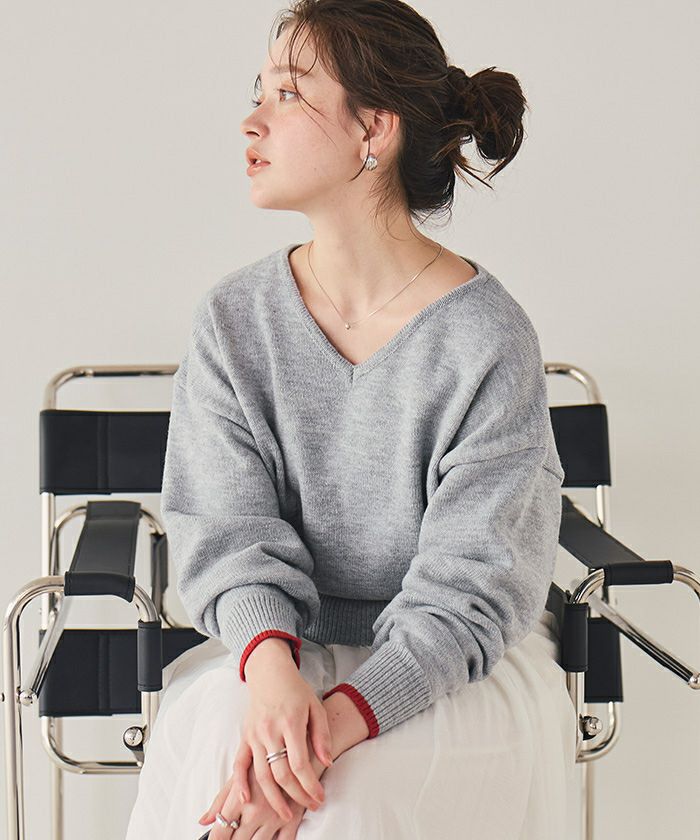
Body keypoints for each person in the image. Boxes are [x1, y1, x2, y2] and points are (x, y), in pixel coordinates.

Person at [125, 1, 578, 838]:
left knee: (343, 806)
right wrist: (274, 685)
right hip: (276, 653)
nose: (251, 120)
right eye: (259, 90)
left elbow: (471, 587)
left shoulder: (485, 338)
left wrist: (327, 731)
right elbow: (224, 529)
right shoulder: (234, 320)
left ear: (375, 127)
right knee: (215, 772)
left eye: (288, 94)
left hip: (452, 670)